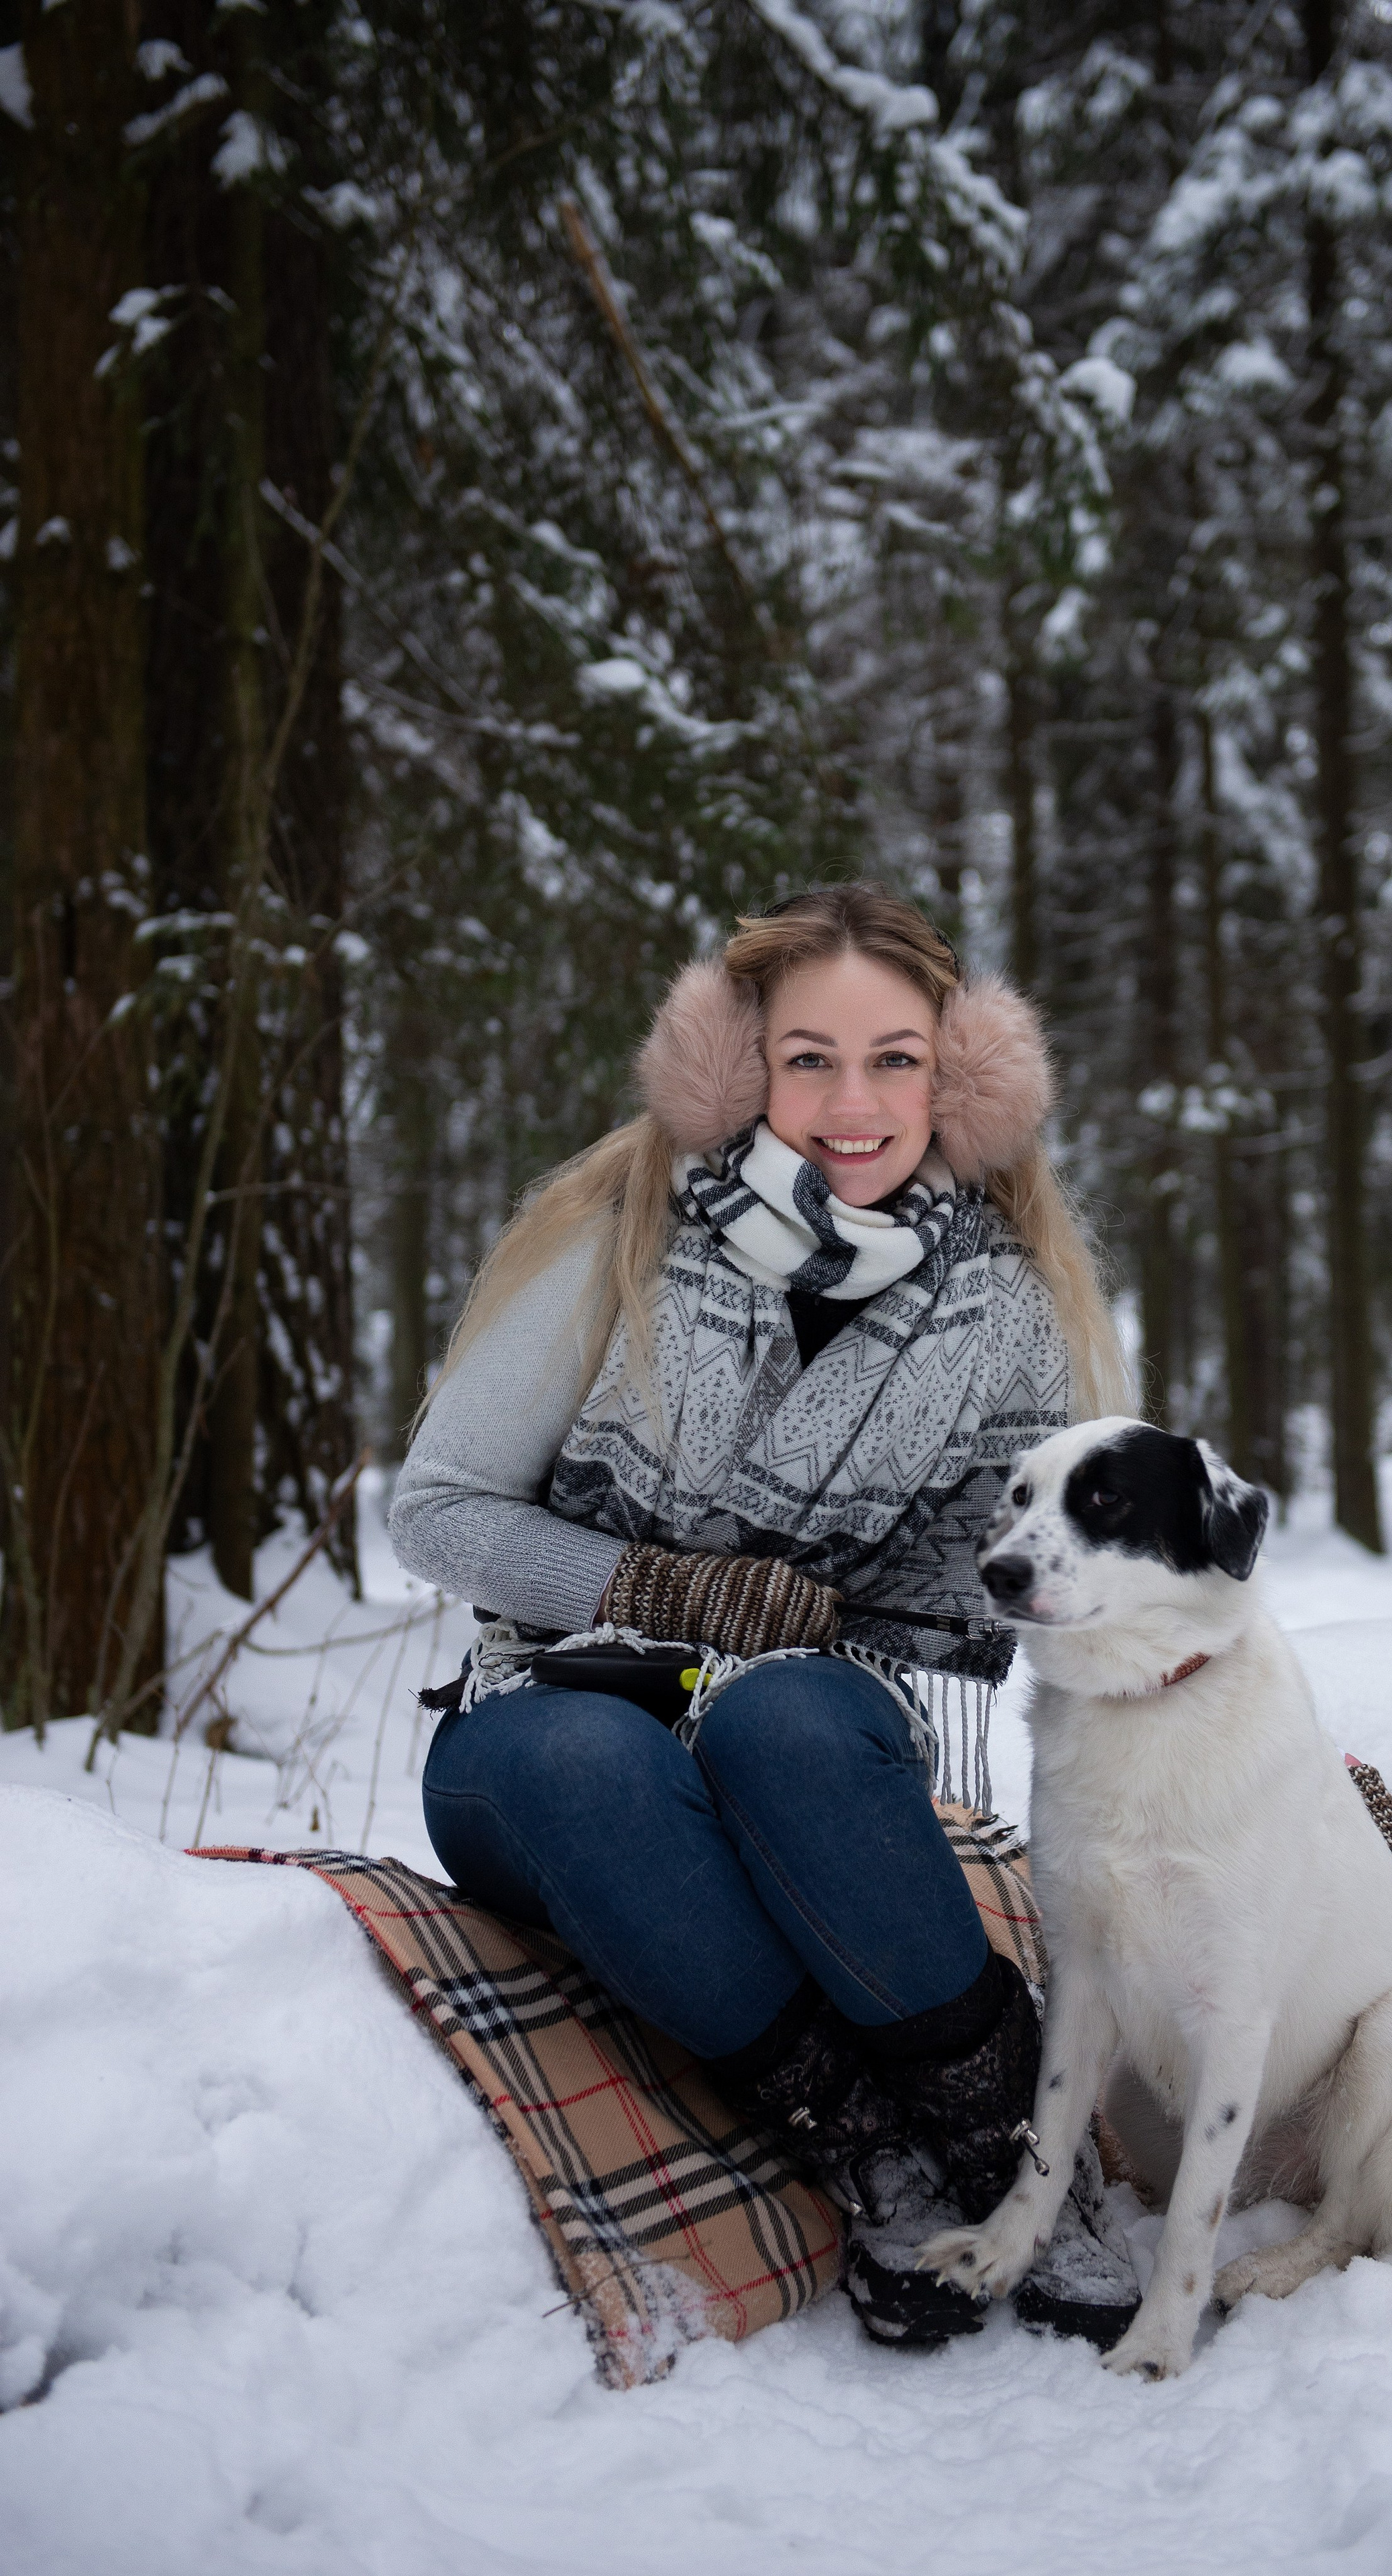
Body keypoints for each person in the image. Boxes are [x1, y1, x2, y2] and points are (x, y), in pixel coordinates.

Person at [390, 883, 1141, 2350]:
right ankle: (862, 2138)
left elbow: (1024, 1578)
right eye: (809, 1058)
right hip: (546, 1728)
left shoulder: (1001, 1303)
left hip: (810, 1725)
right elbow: (438, 1511)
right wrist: (656, 1589)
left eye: (895, 1059)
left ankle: (1004, 2139)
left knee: (787, 1717)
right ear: (736, 1068)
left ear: (957, 1077)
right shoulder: (625, 1234)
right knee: (589, 1762)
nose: (852, 1104)